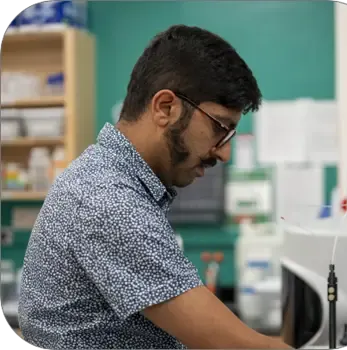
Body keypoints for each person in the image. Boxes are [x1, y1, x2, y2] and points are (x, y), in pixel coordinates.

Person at [18, 25, 291, 349]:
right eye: (221, 127)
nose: (224, 152)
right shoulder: (108, 200)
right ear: (165, 108)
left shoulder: (107, 180)